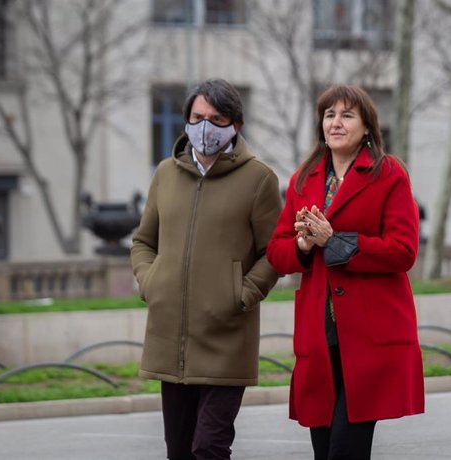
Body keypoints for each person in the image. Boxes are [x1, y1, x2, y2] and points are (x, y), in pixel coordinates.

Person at [266, 84, 425, 460]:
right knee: (324, 449)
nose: (336, 123)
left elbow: (404, 251)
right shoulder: (303, 180)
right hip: (319, 334)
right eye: (329, 115)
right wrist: (303, 246)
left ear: (367, 126)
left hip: (369, 333)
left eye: (347, 115)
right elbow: (277, 252)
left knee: (343, 451)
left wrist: (335, 240)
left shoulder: (389, 174)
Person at [131, 78, 282, 460]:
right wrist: (153, 283)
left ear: (235, 125)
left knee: (209, 447)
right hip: (171, 338)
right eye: (197, 117)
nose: (205, 127)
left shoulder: (259, 179)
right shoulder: (166, 173)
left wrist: (241, 295)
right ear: (186, 120)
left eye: (216, 119)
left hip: (226, 338)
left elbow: (275, 253)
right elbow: (143, 241)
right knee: (179, 451)